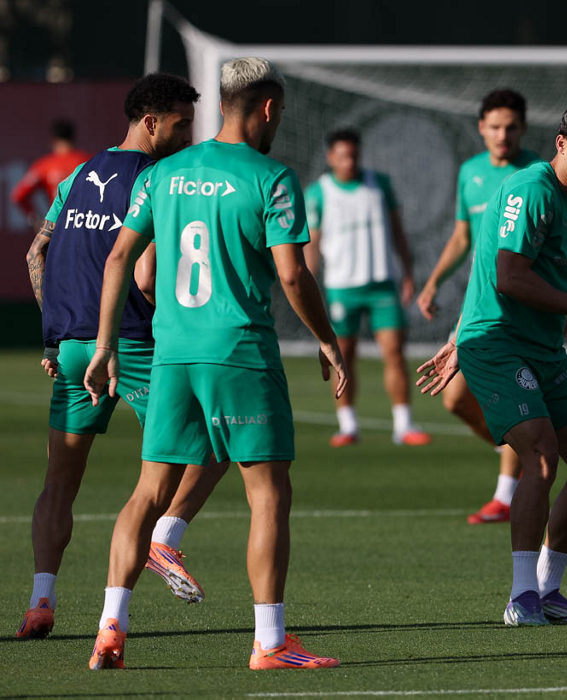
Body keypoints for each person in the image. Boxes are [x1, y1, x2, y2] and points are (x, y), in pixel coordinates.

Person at [84, 57, 345, 670]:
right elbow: (290, 273)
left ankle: (109, 631)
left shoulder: (164, 172)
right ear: (269, 108)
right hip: (240, 353)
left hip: (171, 353)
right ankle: (269, 642)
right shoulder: (273, 177)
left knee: (147, 494)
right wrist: (328, 338)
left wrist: (105, 346)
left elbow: (122, 258)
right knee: (268, 494)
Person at [16, 74, 225, 641]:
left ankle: (41, 599)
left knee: (60, 481)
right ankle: (164, 540)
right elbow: (146, 274)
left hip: (73, 344)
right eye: (182, 124)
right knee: (216, 436)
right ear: (152, 122)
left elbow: (39, 251)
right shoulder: (161, 176)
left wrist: (55, 337)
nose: (188, 135)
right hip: (133, 342)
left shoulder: (79, 174)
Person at [418, 102, 567, 626]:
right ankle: (520, 597)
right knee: (539, 455)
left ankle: (548, 590)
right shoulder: (531, 189)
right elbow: (508, 276)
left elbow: (490, 266)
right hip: (499, 343)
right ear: (561, 144)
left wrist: (455, 332)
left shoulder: (564, 198)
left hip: (540, 347)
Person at [417, 89, 539, 524]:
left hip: (520, 308)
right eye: (494, 126)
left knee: (508, 396)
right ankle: (525, 451)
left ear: (522, 129)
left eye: (510, 127)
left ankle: (507, 495)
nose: (502, 134)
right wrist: (433, 282)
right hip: (480, 302)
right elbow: (462, 237)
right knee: (454, 398)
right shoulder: (471, 172)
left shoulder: (538, 174)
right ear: (482, 129)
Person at [303, 128, 429, 447]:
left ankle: (404, 425)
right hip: (341, 287)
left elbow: (398, 231)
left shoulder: (379, 184)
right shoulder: (319, 192)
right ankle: (348, 426)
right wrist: (310, 284)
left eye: (354, 154)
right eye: (342, 155)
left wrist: (408, 272)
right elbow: (312, 245)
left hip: (382, 283)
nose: (349, 161)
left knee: (395, 353)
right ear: (331, 157)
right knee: (343, 356)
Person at [11, 120, 93, 230]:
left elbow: (18, 195)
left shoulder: (45, 166)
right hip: (86, 224)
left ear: (53, 140)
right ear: (73, 138)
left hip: (58, 226)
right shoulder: (89, 161)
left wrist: (34, 218)